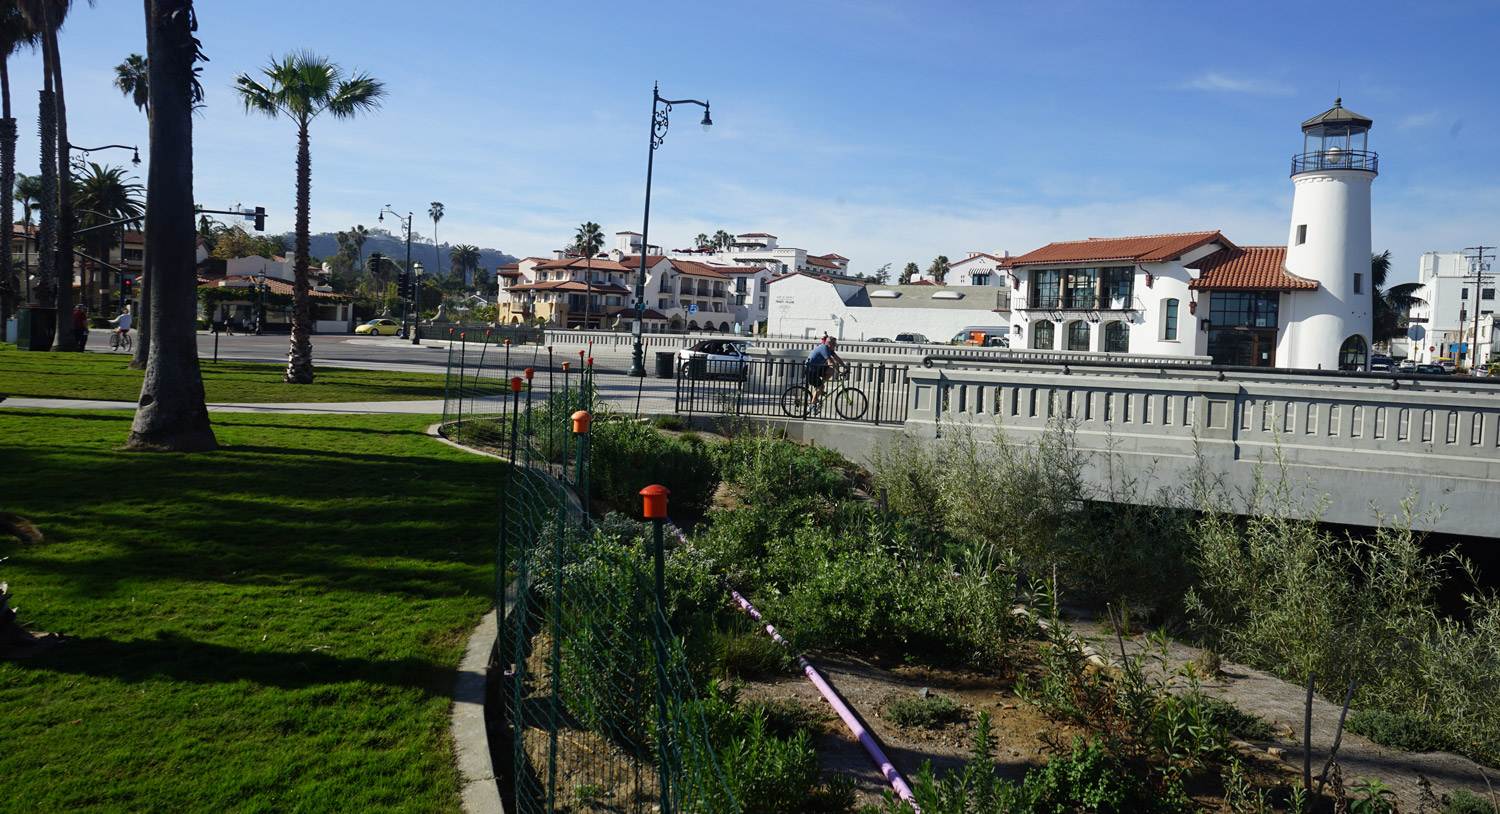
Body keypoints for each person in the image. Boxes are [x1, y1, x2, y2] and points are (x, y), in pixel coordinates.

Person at [805, 336, 844, 402]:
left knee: (831, 371)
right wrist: (839, 372)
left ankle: (820, 387)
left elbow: (837, 358)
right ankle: (812, 405)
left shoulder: (829, 349)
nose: (835, 346)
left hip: (817, 368)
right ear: (828, 343)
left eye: (835, 344)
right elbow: (831, 362)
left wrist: (844, 366)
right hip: (810, 370)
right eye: (834, 344)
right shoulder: (824, 349)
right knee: (821, 387)